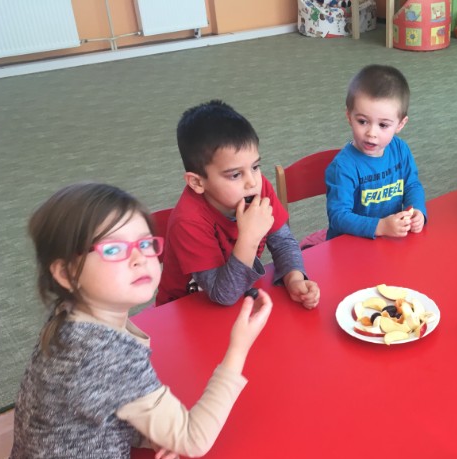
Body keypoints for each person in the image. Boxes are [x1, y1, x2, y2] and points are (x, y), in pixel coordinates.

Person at [0, 183, 273, 459]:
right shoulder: (104, 353)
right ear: (65, 273)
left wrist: (149, 434)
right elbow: (194, 439)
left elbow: (94, 409)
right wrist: (238, 349)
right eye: (113, 249)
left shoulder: (70, 321)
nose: (140, 257)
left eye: (146, 243)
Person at [156, 99, 320, 308]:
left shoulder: (257, 187)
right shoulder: (188, 221)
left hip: (237, 297)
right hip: (183, 310)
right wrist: (249, 238)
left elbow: (283, 242)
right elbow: (223, 295)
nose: (252, 182)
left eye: (255, 167)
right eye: (235, 175)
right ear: (197, 182)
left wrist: (294, 278)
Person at [326, 64, 427, 240]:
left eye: (383, 125)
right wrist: (380, 226)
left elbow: (412, 185)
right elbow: (338, 216)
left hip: (389, 239)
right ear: (349, 116)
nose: (371, 133)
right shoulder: (342, 167)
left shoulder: (400, 150)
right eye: (362, 121)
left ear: (400, 124)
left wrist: (417, 210)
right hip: (350, 244)